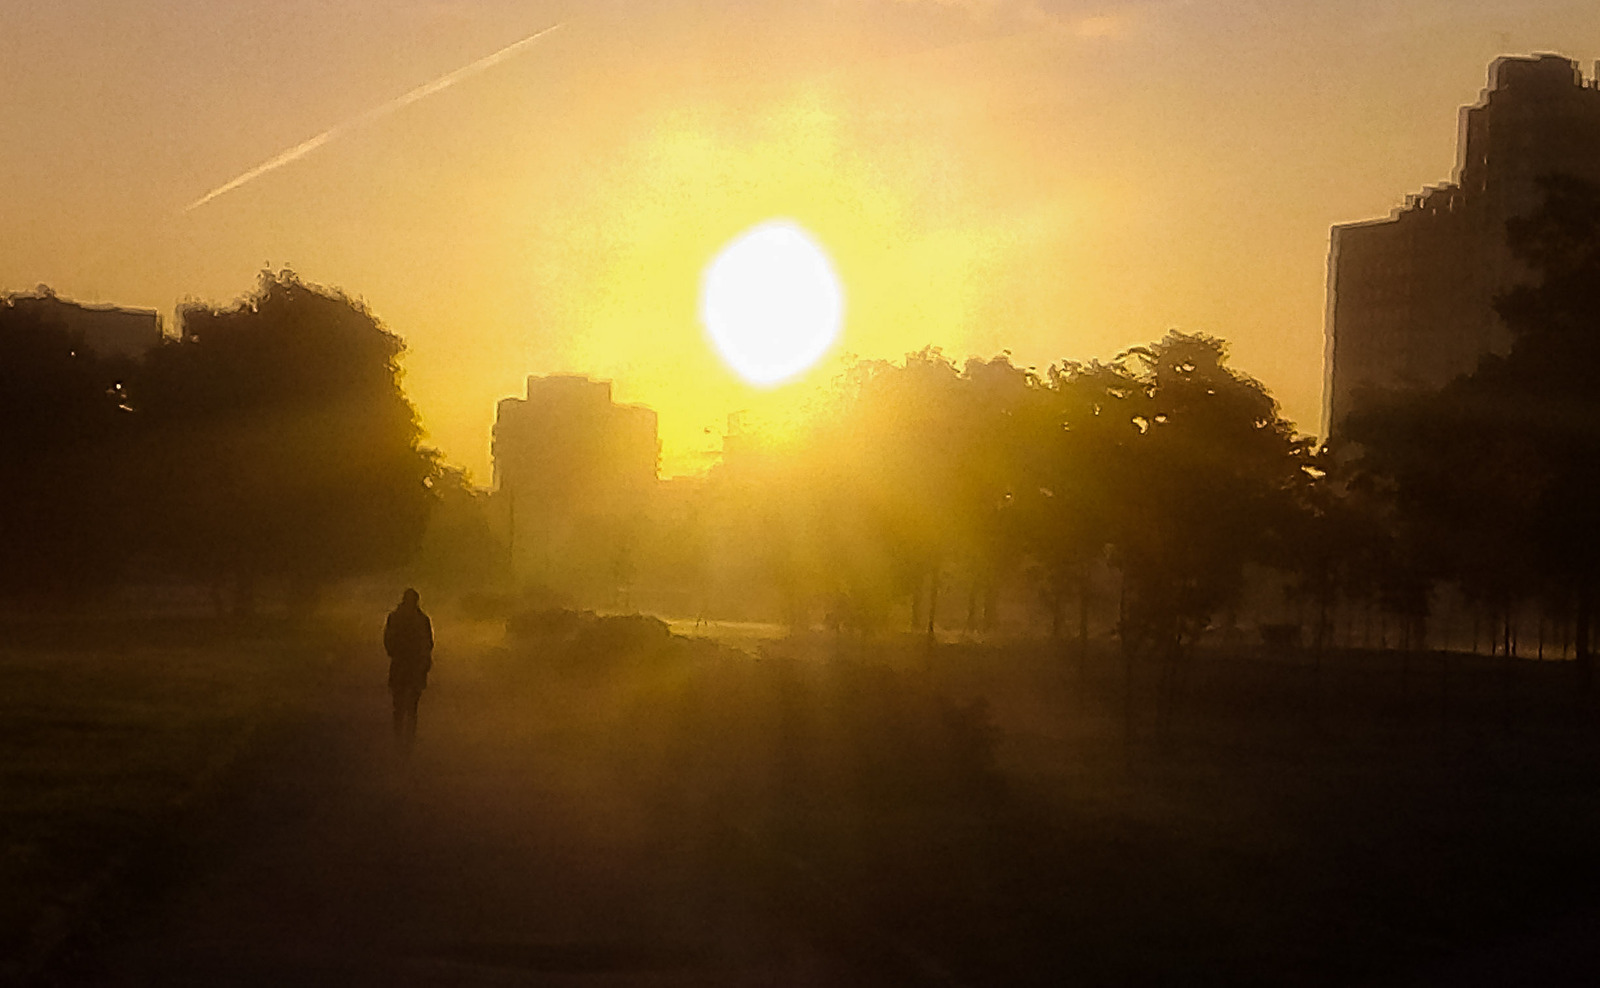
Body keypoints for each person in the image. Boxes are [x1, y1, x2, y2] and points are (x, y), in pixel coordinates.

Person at [383, 588, 433, 746]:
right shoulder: (421, 619)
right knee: (410, 706)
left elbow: (388, 640)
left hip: (403, 664)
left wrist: (394, 653)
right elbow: (428, 643)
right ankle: (407, 739)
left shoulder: (396, 617)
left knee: (401, 705)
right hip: (412, 665)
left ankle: (400, 738)